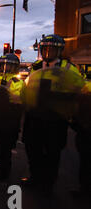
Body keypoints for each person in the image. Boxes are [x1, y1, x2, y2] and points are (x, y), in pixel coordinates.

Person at [21, 34, 82, 193]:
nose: (48, 52)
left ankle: (48, 183)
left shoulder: (69, 68)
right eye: (45, 48)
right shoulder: (35, 66)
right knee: (32, 147)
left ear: (60, 51)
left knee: (52, 151)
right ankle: (35, 176)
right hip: (34, 114)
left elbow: (77, 92)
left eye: (52, 49)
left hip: (55, 117)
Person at [0, 53, 25, 180]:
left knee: (5, 146)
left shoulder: (17, 81)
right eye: (3, 64)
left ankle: (3, 172)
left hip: (8, 119)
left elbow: (17, 101)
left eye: (8, 65)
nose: (5, 67)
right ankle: (0, 164)